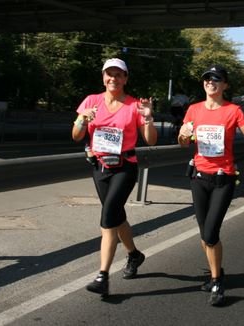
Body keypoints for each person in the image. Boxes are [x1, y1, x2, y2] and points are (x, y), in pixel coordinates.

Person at [72, 58, 157, 297]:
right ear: (103, 77)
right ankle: (134, 254)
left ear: (126, 79)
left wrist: (148, 117)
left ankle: (102, 275)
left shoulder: (134, 105)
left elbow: (150, 140)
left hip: (124, 167)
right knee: (117, 216)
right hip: (99, 167)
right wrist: (82, 118)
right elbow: (77, 135)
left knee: (108, 217)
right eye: (109, 74)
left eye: (119, 75)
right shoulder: (91, 101)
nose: (114, 79)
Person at [178, 64, 244, 306]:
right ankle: (217, 271)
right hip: (199, 178)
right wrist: (183, 134)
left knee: (211, 233)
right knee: (205, 234)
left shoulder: (233, 111)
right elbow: (184, 142)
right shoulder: (193, 110)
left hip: (223, 178)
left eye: (216, 78)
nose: (210, 82)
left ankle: (216, 281)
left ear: (225, 85)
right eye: (207, 78)